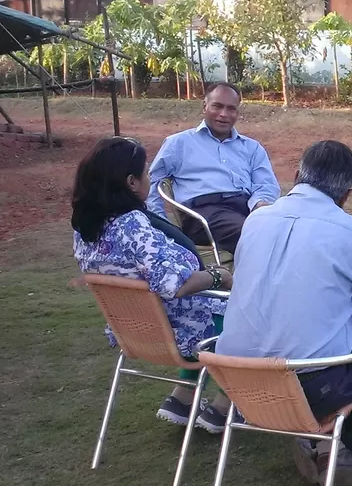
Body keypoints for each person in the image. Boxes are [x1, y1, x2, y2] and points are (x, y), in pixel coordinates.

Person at [216, 140, 352, 486]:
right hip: (305, 386)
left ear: (296, 176)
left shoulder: (254, 221)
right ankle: (345, 453)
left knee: (323, 345)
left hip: (236, 379)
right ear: (347, 194)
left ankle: (322, 445)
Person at [72, 137, 234, 432]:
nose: (149, 178)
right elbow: (175, 285)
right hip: (179, 328)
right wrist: (218, 276)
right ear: (131, 182)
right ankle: (224, 405)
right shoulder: (132, 224)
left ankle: (182, 398)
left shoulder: (86, 227)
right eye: (146, 173)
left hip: (136, 329)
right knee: (255, 312)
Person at [146, 82, 281, 255]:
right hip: (203, 214)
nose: (224, 114)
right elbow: (153, 182)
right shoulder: (179, 143)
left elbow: (266, 185)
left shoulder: (252, 148)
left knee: (287, 230)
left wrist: (260, 207)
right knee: (258, 235)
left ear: (237, 112)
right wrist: (162, 224)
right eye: (217, 106)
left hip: (246, 210)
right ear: (205, 106)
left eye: (231, 108)